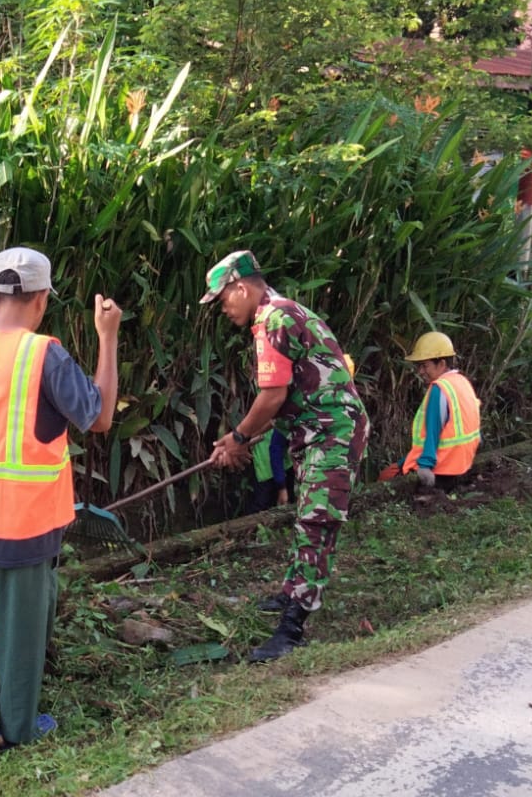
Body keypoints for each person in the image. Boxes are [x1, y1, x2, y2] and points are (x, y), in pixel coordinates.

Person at [0, 247, 121, 751]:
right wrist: (108, 337)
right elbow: (99, 417)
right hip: (23, 526)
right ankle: (19, 729)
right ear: (41, 301)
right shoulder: (43, 354)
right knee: (20, 637)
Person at [202, 250, 369, 663]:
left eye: (223, 299)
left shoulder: (273, 321)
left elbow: (273, 395)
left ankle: (293, 628)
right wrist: (238, 439)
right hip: (318, 430)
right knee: (308, 517)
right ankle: (291, 594)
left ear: (241, 288)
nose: (223, 308)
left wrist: (239, 437)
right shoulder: (280, 313)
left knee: (316, 520)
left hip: (332, 433)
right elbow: (290, 397)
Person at [399, 331, 481, 491]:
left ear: (442, 364)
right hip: (463, 463)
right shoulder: (462, 381)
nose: (420, 372)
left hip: (442, 469)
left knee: (389, 476)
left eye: (425, 366)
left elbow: (433, 431)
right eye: (419, 366)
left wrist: (425, 466)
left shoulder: (439, 389)